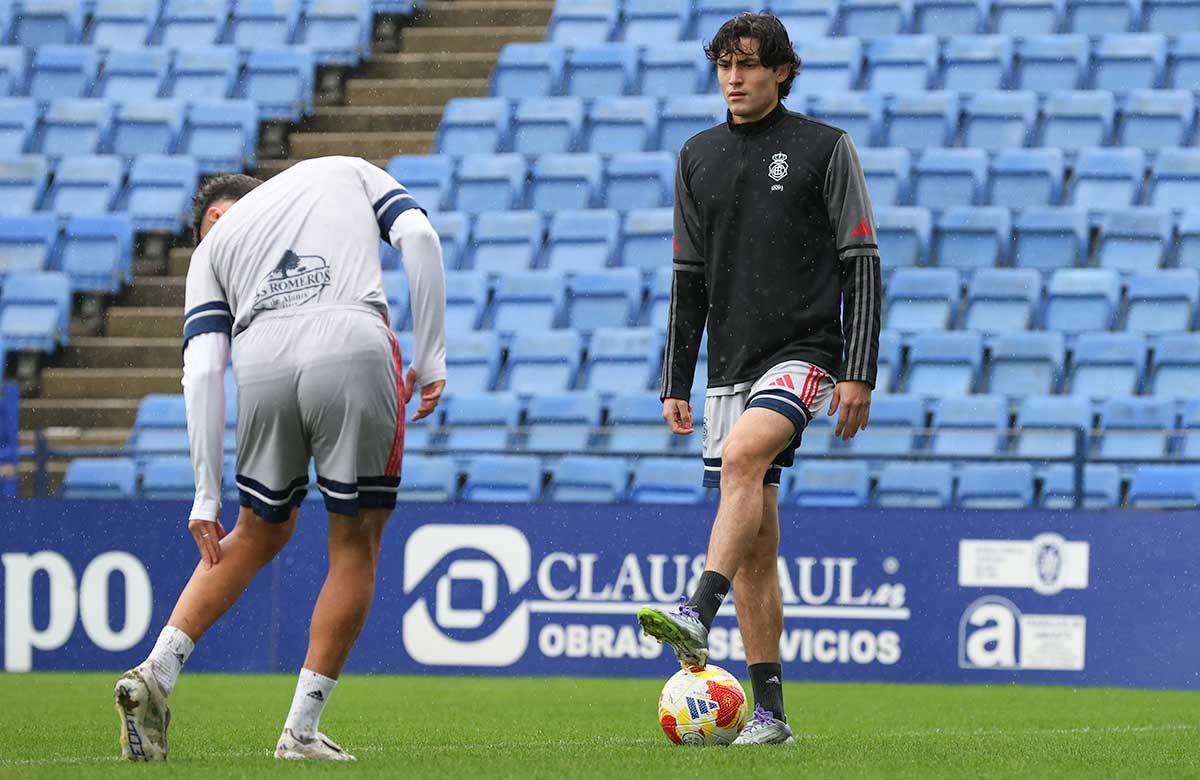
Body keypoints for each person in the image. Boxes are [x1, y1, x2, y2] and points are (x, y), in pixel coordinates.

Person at [113, 156, 447, 762]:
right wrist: (431, 357)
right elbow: (420, 236)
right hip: (350, 335)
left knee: (257, 529)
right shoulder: (345, 169)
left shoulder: (213, 250)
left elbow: (204, 370)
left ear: (219, 216)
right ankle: (299, 731)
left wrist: (205, 495)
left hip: (258, 356)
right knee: (354, 543)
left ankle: (157, 674)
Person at [636, 13, 881, 746]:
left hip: (807, 351)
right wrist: (675, 379)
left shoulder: (825, 147)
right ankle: (770, 714)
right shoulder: (696, 155)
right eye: (724, 66)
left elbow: (861, 261)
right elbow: (687, 275)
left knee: (744, 459)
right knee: (758, 544)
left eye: (748, 65)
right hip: (728, 368)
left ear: (781, 70)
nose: (734, 78)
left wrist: (858, 370)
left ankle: (695, 611)